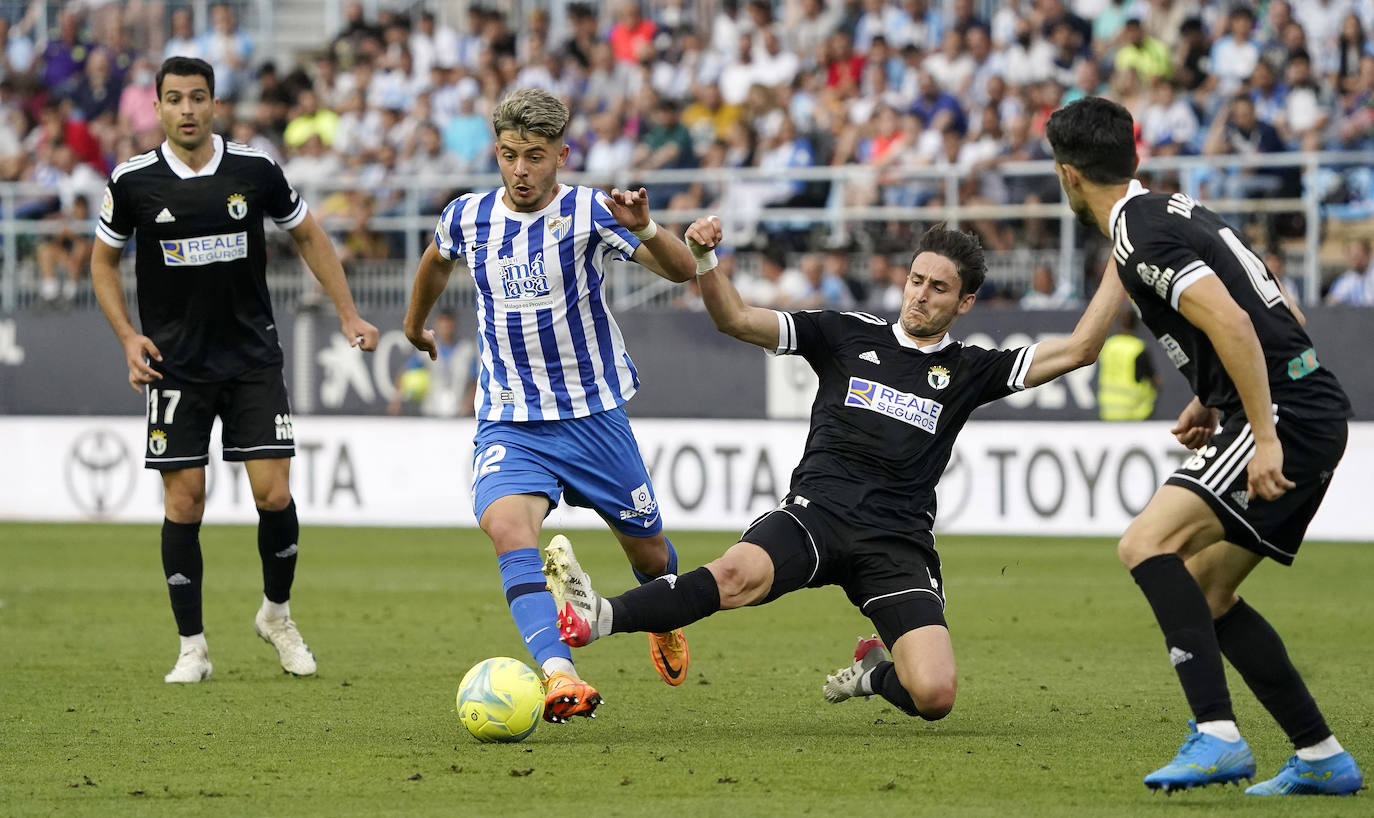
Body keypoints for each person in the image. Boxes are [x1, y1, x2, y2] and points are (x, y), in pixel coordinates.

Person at [544, 219, 1127, 727]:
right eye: (916, 280)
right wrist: (705, 260)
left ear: (965, 302)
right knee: (733, 576)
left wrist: (1123, 262)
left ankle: (874, 673)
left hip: (895, 543)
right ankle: (600, 616)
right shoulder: (847, 334)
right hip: (815, 517)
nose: (920, 295)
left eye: (939, 288)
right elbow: (737, 320)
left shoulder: (972, 369)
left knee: (935, 695)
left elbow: (1080, 348)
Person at [1046, 96, 1362, 796]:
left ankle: (1216, 734)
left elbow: (1238, 325)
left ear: (1068, 176)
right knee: (1208, 591)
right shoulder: (1176, 210)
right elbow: (1281, 307)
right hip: (1306, 401)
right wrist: (1210, 394)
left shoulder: (1138, 236)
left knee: (1146, 544)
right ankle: (1320, 755)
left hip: (1285, 415)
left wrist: (1265, 433)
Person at [400, 88, 700, 724]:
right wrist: (415, 324)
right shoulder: (467, 217)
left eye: (535, 157)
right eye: (509, 155)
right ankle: (561, 674)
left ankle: (661, 614)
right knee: (508, 528)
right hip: (510, 417)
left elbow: (680, 271)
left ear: (560, 155)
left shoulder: (592, 211)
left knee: (650, 555)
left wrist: (645, 224)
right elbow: (435, 261)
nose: (520, 171)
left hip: (593, 416)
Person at [90, 57, 380, 684]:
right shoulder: (133, 182)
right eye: (174, 99)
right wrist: (126, 336)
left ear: (214, 103)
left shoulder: (255, 169)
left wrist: (348, 313)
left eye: (197, 97)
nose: (187, 109)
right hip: (175, 367)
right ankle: (192, 647)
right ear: (159, 107)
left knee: (273, 492)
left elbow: (308, 235)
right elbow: (102, 263)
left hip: (251, 357)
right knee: (185, 502)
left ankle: (276, 615)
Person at [1097, 307, 1159, 420]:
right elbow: (1154, 380)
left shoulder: (1109, 346)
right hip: (1134, 410)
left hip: (1108, 409)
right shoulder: (1138, 348)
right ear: (1136, 324)